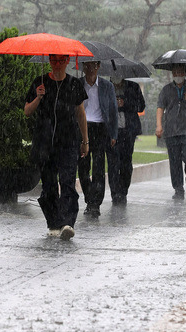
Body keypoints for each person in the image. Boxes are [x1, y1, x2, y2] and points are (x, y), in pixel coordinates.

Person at [24, 54, 89, 241]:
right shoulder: (40, 82)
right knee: (49, 185)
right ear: (50, 61)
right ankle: (53, 222)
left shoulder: (74, 84)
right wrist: (38, 97)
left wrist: (85, 141)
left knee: (68, 182)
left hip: (68, 142)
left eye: (61, 60)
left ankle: (68, 223)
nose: (57, 64)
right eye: (54, 60)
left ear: (67, 61)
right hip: (45, 143)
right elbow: (27, 111)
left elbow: (81, 114)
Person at [155, 64, 186, 200]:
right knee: (174, 161)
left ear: (185, 73)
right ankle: (178, 189)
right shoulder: (166, 90)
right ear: (172, 73)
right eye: (175, 72)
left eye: (180, 72)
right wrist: (159, 125)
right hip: (171, 131)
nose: (178, 75)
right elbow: (160, 107)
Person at [78, 61, 118, 217]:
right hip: (83, 128)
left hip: (101, 129)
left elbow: (113, 110)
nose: (90, 69)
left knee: (99, 168)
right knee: (82, 167)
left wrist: (113, 134)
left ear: (98, 66)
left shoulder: (107, 86)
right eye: (87, 66)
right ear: (82, 67)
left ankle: (95, 204)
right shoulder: (78, 84)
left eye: (93, 66)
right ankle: (90, 198)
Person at [109, 76, 146, 205]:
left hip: (128, 132)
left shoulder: (133, 87)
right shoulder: (106, 87)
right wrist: (114, 104)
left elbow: (141, 106)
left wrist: (125, 103)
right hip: (112, 132)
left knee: (126, 162)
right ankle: (115, 193)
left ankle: (123, 191)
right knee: (113, 163)